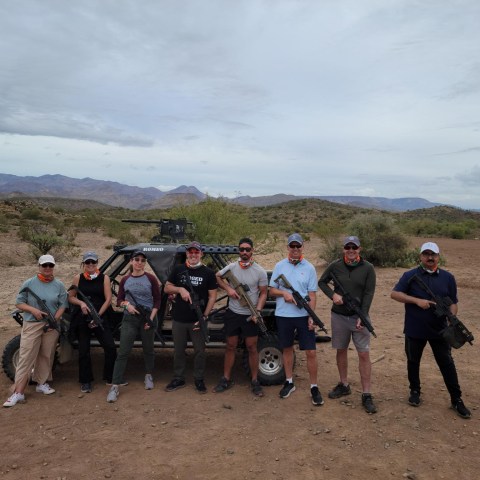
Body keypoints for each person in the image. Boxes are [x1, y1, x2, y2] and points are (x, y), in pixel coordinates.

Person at [391, 241, 471, 419]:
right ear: (420, 256)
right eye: (426, 254)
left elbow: (453, 302)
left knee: (447, 364)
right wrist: (416, 301)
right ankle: (415, 391)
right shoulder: (410, 275)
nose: (429, 257)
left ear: (438, 257)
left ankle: (456, 399)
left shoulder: (448, 278)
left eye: (433, 254)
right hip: (414, 328)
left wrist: (452, 319)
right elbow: (395, 294)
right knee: (413, 361)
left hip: (440, 331)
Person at [318, 235, 377, 414]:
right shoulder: (335, 266)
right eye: (348, 247)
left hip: (359, 317)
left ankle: (366, 393)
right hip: (339, 317)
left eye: (354, 247)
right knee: (341, 350)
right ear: (344, 249)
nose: (351, 250)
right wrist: (333, 296)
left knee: (364, 354)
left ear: (360, 249)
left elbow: (369, 293)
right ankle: (344, 384)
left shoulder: (368, 268)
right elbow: (322, 282)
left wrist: (363, 315)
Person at [3, 254, 68, 408]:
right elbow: (20, 303)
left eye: (50, 266)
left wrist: (55, 320)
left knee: (46, 355)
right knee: (26, 356)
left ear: (53, 267)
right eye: (44, 265)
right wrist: (33, 310)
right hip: (33, 323)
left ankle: (42, 383)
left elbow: (63, 305)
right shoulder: (29, 283)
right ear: (39, 266)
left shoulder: (59, 285)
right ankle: (18, 392)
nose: (47, 268)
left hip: (51, 326)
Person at [269, 233, 324, 406]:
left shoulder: (309, 268)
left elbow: (312, 294)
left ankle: (314, 386)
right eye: (292, 246)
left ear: (302, 248)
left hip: (302, 317)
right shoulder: (279, 266)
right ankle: (289, 381)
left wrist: (311, 316)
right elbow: (272, 290)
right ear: (288, 248)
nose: (295, 249)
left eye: (298, 246)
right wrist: (284, 293)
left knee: (311, 352)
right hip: (283, 315)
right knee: (286, 349)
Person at [213, 237, 268, 396]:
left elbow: (264, 293)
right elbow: (217, 277)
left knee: (252, 347)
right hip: (233, 313)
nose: (244, 252)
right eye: (242, 249)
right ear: (239, 250)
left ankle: (255, 381)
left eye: (247, 249)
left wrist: (257, 311)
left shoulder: (260, 271)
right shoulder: (231, 267)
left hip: (250, 314)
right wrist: (228, 289)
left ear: (252, 251)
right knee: (230, 345)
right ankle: (226, 378)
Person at [106, 250, 161, 403]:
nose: (139, 263)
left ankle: (149, 375)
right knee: (123, 351)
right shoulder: (125, 279)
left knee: (148, 349)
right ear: (131, 261)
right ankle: (115, 385)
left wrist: (150, 318)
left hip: (148, 317)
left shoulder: (151, 278)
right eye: (136, 259)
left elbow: (157, 300)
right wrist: (127, 306)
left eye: (143, 260)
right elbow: (119, 300)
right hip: (130, 318)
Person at [164, 241, 217, 394]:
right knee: (178, 350)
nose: (193, 255)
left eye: (196, 252)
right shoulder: (179, 269)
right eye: (191, 252)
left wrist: (205, 316)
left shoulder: (208, 273)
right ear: (187, 254)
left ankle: (199, 379)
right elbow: (167, 287)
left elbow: (212, 296)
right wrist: (180, 289)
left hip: (197, 319)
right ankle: (178, 377)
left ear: (201, 254)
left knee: (200, 351)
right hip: (179, 318)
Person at [68, 251, 117, 393]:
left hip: (100, 315)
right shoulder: (78, 278)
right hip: (82, 318)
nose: (90, 265)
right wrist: (81, 304)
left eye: (93, 262)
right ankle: (85, 381)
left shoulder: (104, 278)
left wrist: (98, 316)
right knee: (83, 350)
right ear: (84, 264)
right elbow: (71, 297)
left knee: (110, 347)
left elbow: (108, 299)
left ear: (97, 263)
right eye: (88, 262)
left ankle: (109, 376)